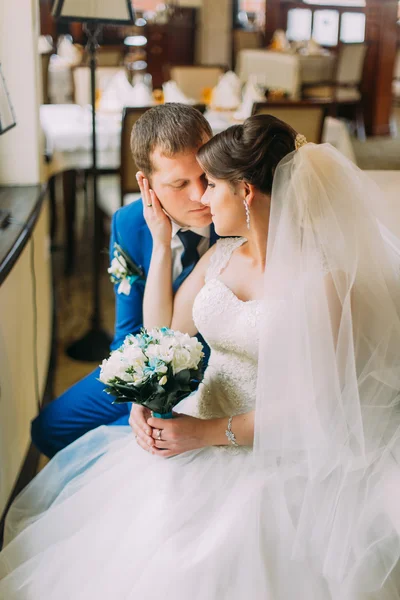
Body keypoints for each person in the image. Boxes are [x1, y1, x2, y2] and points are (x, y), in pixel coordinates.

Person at [1, 115, 400, 599]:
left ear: (247, 192)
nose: (202, 199)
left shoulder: (321, 280)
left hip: (265, 449)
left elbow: (311, 405)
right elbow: (159, 334)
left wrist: (206, 434)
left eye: (210, 184)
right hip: (197, 416)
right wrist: (163, 249)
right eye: (188, 184)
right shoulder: (222, 256)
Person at [31, 103, 217, 458]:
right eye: (179, 183)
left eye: (205, 176)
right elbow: (128, 331)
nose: (200, 195)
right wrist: (140, 393)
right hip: (150, 355)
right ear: (146, 184)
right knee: (49, 428)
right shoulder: (129, 224)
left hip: (217, 362)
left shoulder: (234, 216)